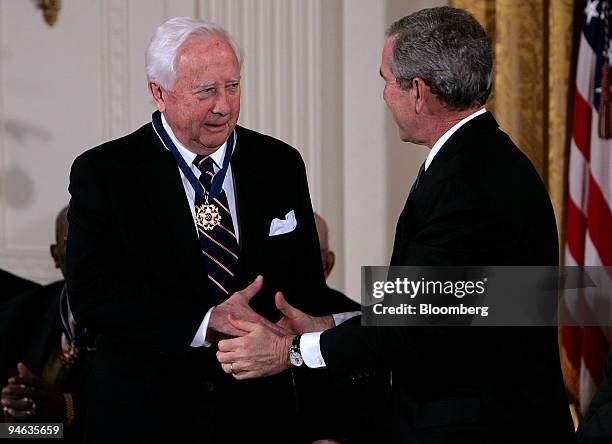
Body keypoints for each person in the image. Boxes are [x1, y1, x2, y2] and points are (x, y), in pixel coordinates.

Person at [217, 7, 576, 443]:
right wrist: (330, 328)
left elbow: (414, 326)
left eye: (386, 80)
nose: (385, 95)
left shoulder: (469, 181)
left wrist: (290, 351)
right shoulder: (478, 161)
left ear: (419, 91)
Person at [66, 17, 334, 443]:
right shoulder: (105, 172)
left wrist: (324, 425)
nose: (223, 106)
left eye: (232, 86)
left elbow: (307, 295)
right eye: (206, 91)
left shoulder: (279, 164)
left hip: (261, 418)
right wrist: (206, 321)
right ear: (159, 91)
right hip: (147, 418)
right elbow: (93, 294)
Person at [1, 206, 95, 443]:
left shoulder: (138, 319)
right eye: (73, 241)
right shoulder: (19, 312)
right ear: (55, 255)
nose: (87, 253)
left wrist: (68, 407)